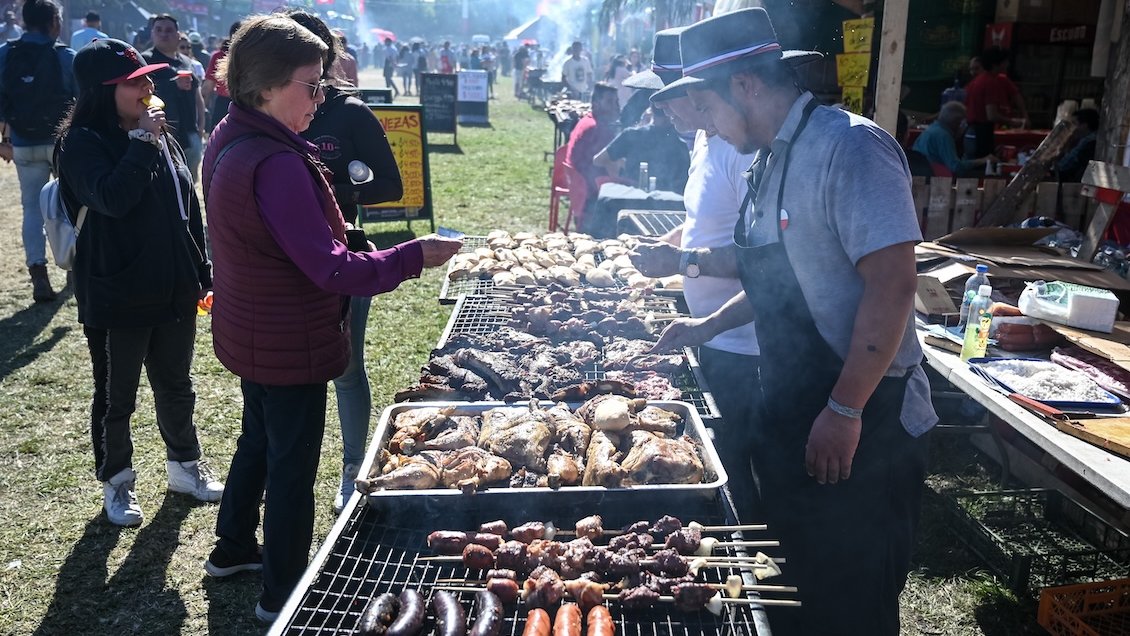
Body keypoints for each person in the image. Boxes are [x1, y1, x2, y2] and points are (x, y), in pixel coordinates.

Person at [657, 9, 937, 635]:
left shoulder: (850, 148)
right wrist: (702, 330)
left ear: (747, 85)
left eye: (706, 107)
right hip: (791, 413)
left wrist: (844, 409)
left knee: (852, 603)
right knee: (794, 594)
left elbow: (893, 285)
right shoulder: (763, 163)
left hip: (867, 425)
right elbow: (777, 281)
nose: (705, 125)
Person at [200, 16, 460, 622]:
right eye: (311, 85)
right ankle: (280, 596)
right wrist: (411, 255)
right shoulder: (277, 162)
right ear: (265, 85)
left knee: (259, 439)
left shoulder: (228, 134)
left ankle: (232, 548)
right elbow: (332, 271)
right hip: (287, 337)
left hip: (250, 327)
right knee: (293, 471)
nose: (322, 98)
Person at [57, 38, 223, 527]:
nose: (147, 88)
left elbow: (185, 206)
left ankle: (185, 467)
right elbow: (112, 198)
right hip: (115, 290)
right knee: (116, 396)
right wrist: (141, 143)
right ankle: (118, 481)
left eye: (147, 78)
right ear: (99, 92)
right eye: (132, 82)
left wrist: (201, 270)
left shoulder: (158, 134)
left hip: (174, 286)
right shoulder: (81, 141)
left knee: (176, 384)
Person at [625, 27, 762, 523]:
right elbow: (707, 220)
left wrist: (682, 264)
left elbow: (757, 252)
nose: (662, 113)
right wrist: (667, 244)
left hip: (745, 343)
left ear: (694, 92)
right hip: (712, 333)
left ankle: (743, 552)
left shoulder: (739, 149)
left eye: (666, 101)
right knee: (719, 453)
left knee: (735, 466)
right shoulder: (704, 142)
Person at [287, 9, 406, 513]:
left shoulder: (350, 112)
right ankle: (287, 477)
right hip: (281, 260)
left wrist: (336, 183)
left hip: (340, 252)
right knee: (288, 375)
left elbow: (391, 186)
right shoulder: (262, 110)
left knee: (347, 370)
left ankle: (352, 469)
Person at [0, 0, 76, 302]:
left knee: (32, 208)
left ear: (24, 20)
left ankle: (38, 272)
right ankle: (74, 264)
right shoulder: (65, 56)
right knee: (71, 203)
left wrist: (3, 139)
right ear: (55, 22)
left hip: (22, 141)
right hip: (61, 142)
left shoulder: (5, 54)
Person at [143, 14, 205, 181]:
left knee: (190, 181)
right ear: (152, 33)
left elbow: (197, 96)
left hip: (190, 133)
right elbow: (141, 95)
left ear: (178, 35)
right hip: (161, 133)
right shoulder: (145, 61)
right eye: (159, 30)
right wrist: (172, 85)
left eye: (169, 30)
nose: (164, 34)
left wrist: (200, 127)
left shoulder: (186, 62)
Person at [594, 105, 690, 192]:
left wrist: (619, 172)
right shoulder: (681, 146)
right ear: (672, 113)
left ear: (650, 109)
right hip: (668, 205)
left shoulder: (631, 135)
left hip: (632, 200)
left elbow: (598, 160)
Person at [963, 47, 1027, 160]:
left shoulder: (977, 81)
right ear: (997, 64)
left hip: (971, 131)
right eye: (1005, 62)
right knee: (983, 168)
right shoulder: (989, 82)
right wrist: (1013, 122)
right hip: (981, 132)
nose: (1007, 64)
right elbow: (992, 115)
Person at [563, 82, 619, 207]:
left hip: (578, 184)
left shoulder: (587, 120)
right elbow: (611, 166)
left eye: (616, 101)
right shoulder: (596, 128)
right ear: (596, 105)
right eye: (610, 102)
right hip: (589, 191)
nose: (616, 107)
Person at [913, 101, 994, 177]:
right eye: (963, 122)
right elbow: (956, 167)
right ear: (956, 121)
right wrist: (983, 160)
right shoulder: (943, 135)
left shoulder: (932, 129)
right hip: (936, 178)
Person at [203, 21, 240, 132]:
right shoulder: (219, 56)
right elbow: (207, 88)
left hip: (238, 105)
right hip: (227, 105)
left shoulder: (219, 56)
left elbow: (207, 87)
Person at [1056, 107, 1099, 183]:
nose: (1072, 127)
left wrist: (1067, 144)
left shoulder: (1088, 142)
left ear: (1084, 125)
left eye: (1074, 123)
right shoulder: (1086, 139)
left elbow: (1062, 166)